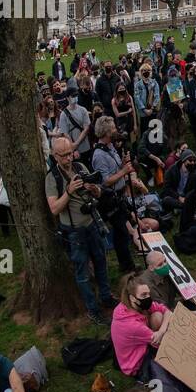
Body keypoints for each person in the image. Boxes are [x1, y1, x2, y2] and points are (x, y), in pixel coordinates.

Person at [46, 136, 115, 325]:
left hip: (92, 224)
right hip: (74, 232)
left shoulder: (80, 167)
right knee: (82, 273)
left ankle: (106, 297)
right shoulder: (52, 178)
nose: (68, 158)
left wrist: (94, 189)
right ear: (55, 155)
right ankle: (93, 310)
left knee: (101, 262)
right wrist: (68, 191)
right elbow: (54, 209)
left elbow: (98, 192)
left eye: (70, 153)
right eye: (64, 155)